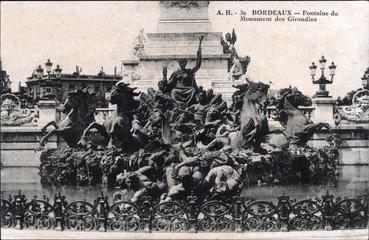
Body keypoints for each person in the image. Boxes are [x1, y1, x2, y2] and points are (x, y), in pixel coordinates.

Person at [166, 36, 204, 108]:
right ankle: (178, 105)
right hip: (178, 89)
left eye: (184, 62)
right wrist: (164, 76)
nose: (182, 64)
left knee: (193, 91)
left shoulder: (189, 71)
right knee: (174, 92)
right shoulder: (175, 74)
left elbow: (198, 65)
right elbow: (169, 83)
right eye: (181, 62)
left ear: (186, 63)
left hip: (188, 89)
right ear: (179, 64)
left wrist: (200, 45)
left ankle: (188, 105)